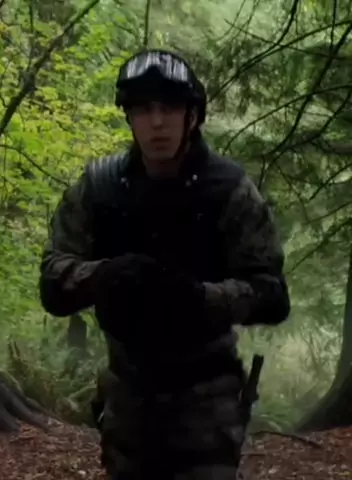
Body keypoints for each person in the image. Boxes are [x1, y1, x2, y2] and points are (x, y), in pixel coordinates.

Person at [38, 49, 290, 479]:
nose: (157, 122)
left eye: (169, 108)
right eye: (143, 109)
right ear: (129, 117)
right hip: (128, 402)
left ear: (192, 116)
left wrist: (198, 298)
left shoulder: (229, 189)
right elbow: (53, 282)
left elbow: (272, 294)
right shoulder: (99, 187)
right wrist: (106, 276)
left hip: (207, 401)